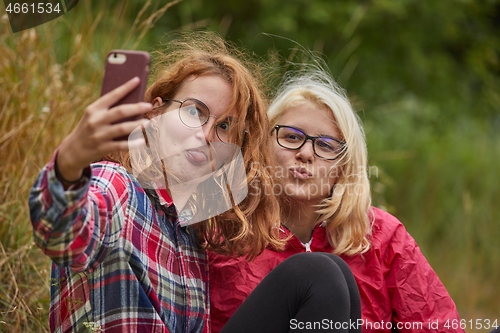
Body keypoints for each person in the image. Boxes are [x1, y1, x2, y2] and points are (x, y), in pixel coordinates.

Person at [28, 32, 285, 333]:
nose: (205, 135)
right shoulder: (118, 185)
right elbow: (59, 234)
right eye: (194, 111)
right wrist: (70, 161)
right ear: (156, 112)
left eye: (225, 126)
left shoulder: (191, 238)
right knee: (314, 276)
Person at [209, 63, 465, 333]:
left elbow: (436, 326)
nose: (306, 153)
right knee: (320, 274)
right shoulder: (222, 226)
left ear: (344, 168)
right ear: (263, 144)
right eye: (291, 137)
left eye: (325, 145)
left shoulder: (383, 238)